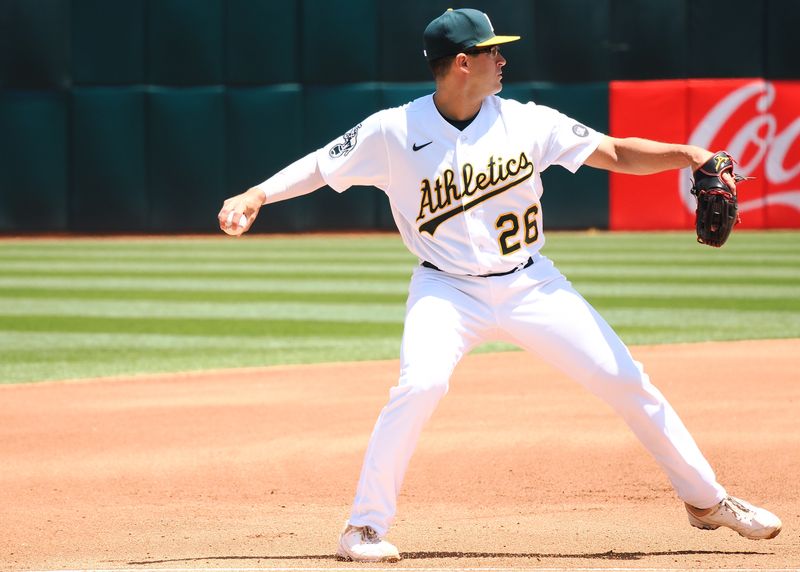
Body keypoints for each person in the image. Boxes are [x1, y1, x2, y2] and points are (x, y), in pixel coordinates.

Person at [218, 8, 782, 562]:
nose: (503, 59)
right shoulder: (393, 130)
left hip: (532, 283)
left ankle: (708, 502)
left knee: (626, 380)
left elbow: (613, 150)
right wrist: (257, 194)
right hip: (446, 291)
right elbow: (321, 165)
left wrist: (690, 155)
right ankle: (363, 528)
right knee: (420, 386)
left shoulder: (528, 120)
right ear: (463, 62)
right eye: (492, 51)